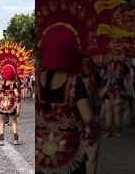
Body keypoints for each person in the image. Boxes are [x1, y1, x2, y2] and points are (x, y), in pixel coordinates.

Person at [35, 25, 99, 174]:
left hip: (40, 156)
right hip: (69, 157)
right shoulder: (74, 81)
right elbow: (88, 117)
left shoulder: (37, 79)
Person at [0, 65, 20, 145]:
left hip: (2, 105)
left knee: (2, 122)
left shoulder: (0, 83)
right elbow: (17, 94)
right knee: (14, 121)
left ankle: (1, 139)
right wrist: (17, 100)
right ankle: (15, 139)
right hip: (11, 105)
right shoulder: (13, 83)